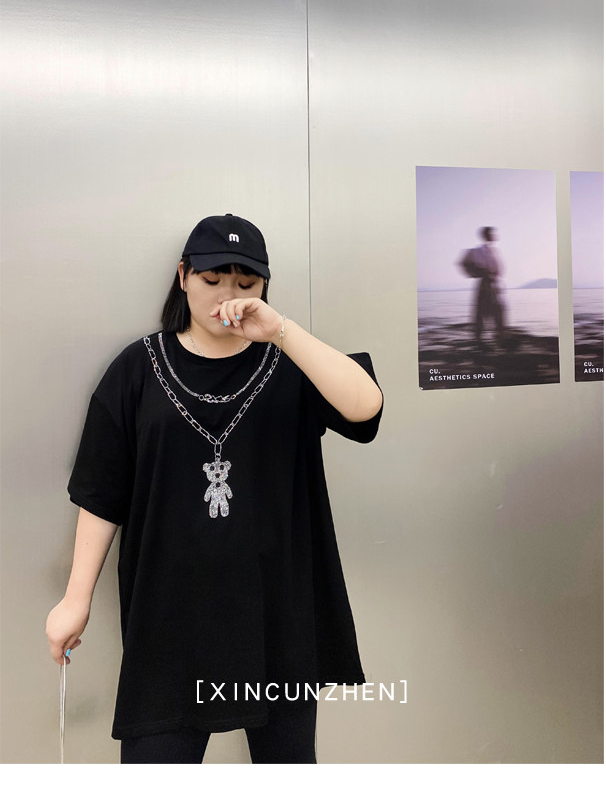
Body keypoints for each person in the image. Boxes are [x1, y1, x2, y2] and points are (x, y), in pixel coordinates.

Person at [45, 213, 383, 764]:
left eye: (246, 282)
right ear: (183, 276)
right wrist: (75, 598)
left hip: (277, 614)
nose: (229, 295)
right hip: (169, 618)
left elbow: (365, 408)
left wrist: (280, 331)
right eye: (212, 279)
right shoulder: (137, 369)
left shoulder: (290, 364)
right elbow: (102, 493)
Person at [469, 226, 505, 349]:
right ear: (486, 236)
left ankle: (499, 336)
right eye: (492, 233)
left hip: (494, 283)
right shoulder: (479, 251)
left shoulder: (495, 251)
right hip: (485, 283)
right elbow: (477, 268)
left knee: (498, 310)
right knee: (482, 312)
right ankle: (479, 339)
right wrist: (484, 273)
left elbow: (499, 269)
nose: (494, 235)